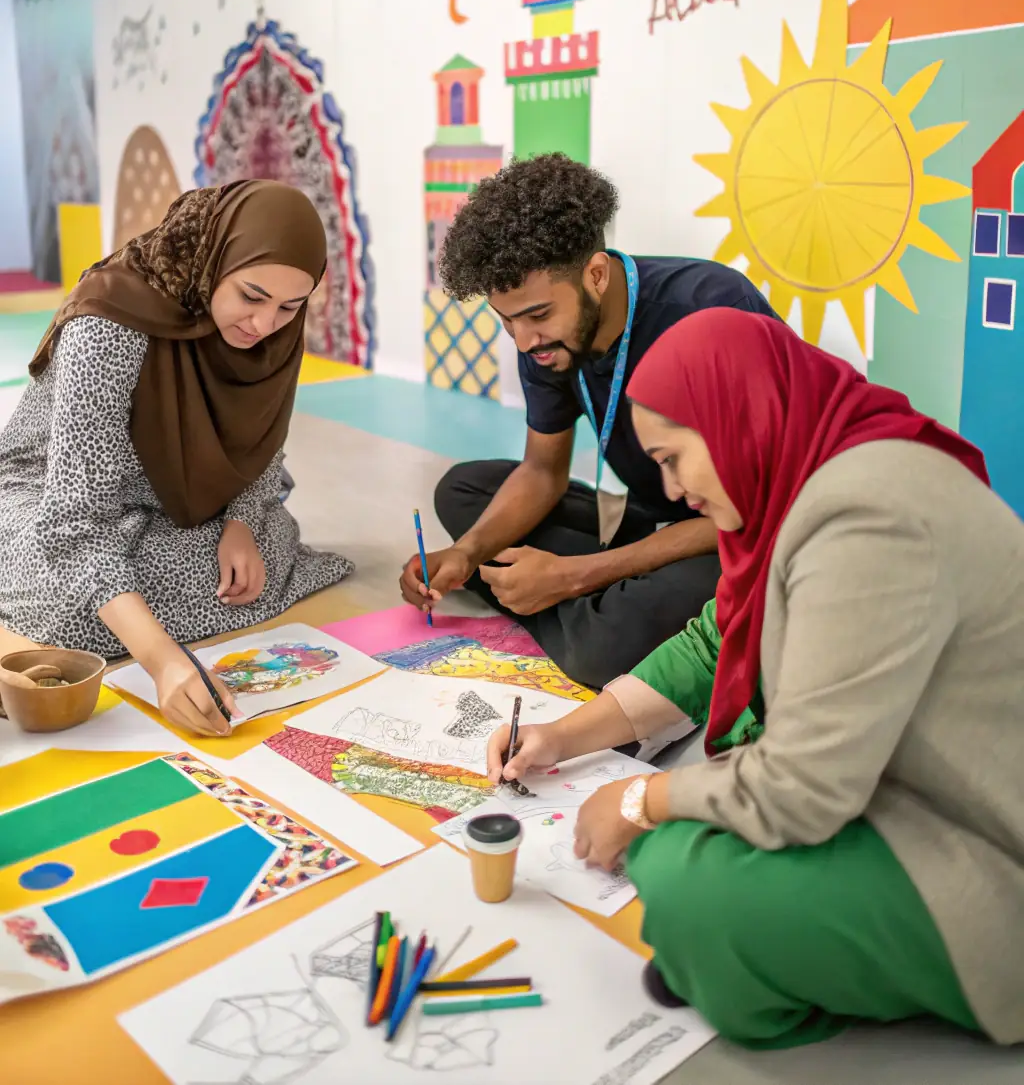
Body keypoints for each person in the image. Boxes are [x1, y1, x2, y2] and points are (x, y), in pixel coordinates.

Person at [485, 308, 1024, 1049]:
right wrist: (562, 735)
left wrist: (639, 797)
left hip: (987, 847)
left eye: (673, 458)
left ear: (739, 416)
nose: (671, 492)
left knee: (681, 875)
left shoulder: (866, 518)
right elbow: (718, 641)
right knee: (686, 830)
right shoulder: (811, 473)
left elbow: (802, 787)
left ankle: (788, 977)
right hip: (907, 786)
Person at [399, 155, 776, 689]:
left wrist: (574, 576)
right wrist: (467, 553)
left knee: (605, 653)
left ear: (596, 275)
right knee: (462, 490)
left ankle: (578, 607)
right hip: (647, 521)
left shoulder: (711, 309)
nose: (524, 341)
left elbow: (758, 510)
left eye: (538, 315)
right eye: (505, 320)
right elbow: (542, 471)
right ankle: (572, 598)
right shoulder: (543, 344)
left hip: (735, 533)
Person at [0, 181, 353, 738]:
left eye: (290, 306)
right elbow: (73, 521)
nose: (264, 324)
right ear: (212, 259)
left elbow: (260, 441)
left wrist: (242, 520)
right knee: (70, 601)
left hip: (179, 494)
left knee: (246, 560)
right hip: (50, 491)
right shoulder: (108, 323)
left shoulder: (274, 327)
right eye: (252, 296)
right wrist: (164, 662)